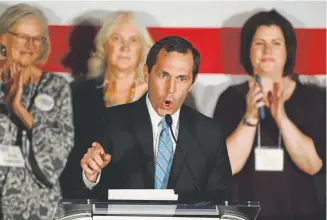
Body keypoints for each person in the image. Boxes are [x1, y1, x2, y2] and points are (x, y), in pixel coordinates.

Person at [80, 36, 232, 203]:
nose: (171, 89)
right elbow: (89, 194)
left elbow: (221, 202)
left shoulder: (210, 134)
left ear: (192, 83)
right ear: (147, 73)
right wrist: (91, 175)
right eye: (163, 75)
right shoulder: (112, 122)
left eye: (181, 78)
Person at [213, 9, 326, 220]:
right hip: (243, 214)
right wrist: (250, 117)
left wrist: (281, 117)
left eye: (276, 43)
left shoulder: (313, 98)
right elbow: (226, 168)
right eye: (259, 43)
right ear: (248, 50)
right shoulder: (230, 99)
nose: (267, 50)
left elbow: (313, 165)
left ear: (287, 50)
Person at [60, 11, 154, 198]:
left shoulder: (159, 98)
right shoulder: (80, 94)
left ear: (143, 49)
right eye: (117, 38)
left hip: (145, 204)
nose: (125, 47)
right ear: (104, 45)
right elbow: (67, 159)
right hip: (90, 202)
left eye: (133, 40)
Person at [0, 3, 74, 220]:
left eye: (37, 39)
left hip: (37, 206)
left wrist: (19, 109)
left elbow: (59, 149)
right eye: (23, 37)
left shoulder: (56, 87)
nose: (30, 45)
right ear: (4, 38)